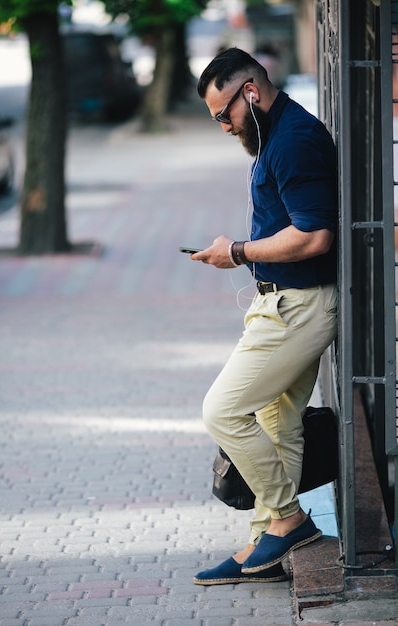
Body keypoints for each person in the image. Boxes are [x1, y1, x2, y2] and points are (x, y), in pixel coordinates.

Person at [190, 48, 338, 586]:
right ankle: (265, 545)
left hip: (299, 307)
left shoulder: (294, 139)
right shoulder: (277, 134)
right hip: (286, 301)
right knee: (279, 424)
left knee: (223, 411)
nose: (223, 126)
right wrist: (235, 252)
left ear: (249, 92)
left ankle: (289, 520)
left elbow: (315, 234)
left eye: (222, 114)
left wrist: (238, 252)